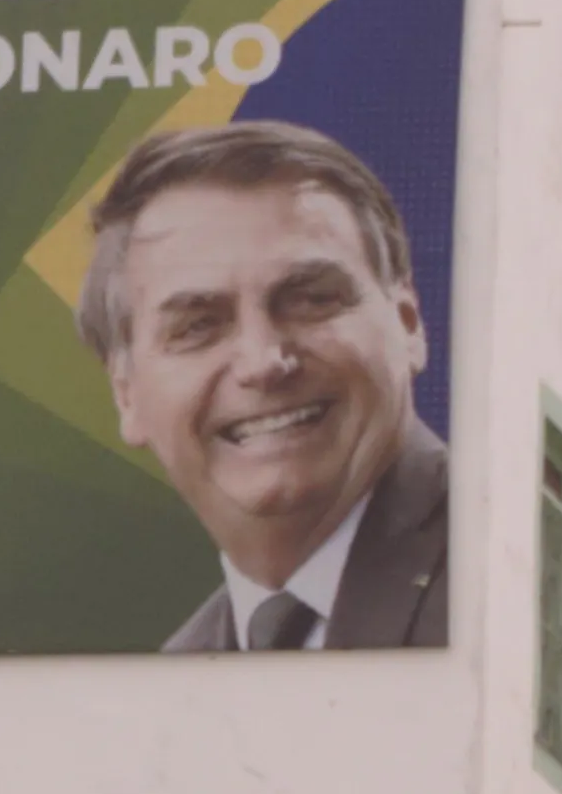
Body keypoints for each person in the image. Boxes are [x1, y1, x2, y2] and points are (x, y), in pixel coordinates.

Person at [77, 120, 448, 652]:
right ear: (127, 394)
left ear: (409, 324)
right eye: (198, 326)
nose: (264, 362)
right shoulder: (171, 685)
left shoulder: (507, 564)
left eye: (311, 300)